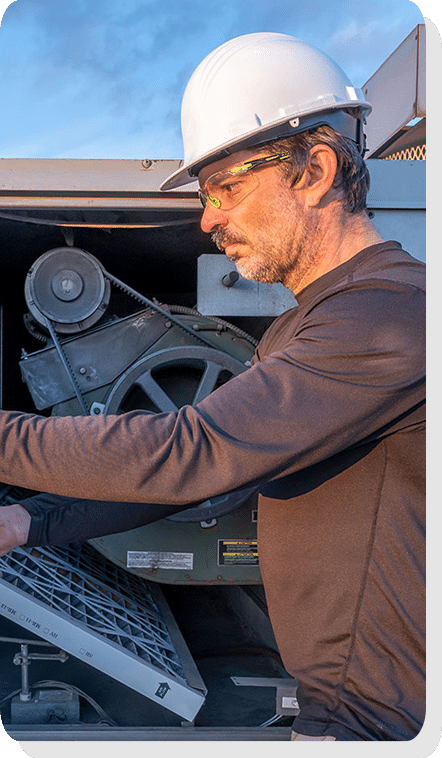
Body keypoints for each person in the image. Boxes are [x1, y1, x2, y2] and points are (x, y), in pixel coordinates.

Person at [0, 33, 425, 741]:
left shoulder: (389, 315)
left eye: (228, 187)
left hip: (380, 727)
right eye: (205, 194)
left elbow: (190, 452)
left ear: (316, 171)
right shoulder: (309, 326)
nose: (207, 219)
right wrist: (30, 522)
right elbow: (206, 481)